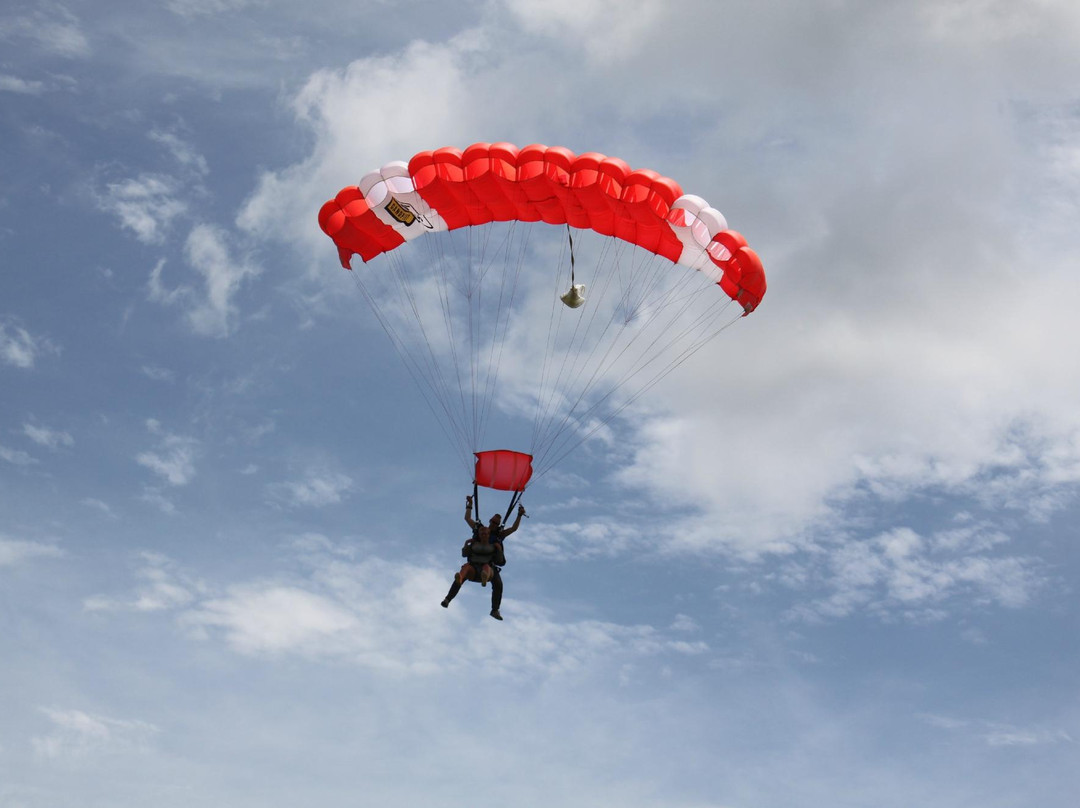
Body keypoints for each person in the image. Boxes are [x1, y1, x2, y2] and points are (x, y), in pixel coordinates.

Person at [441, 495, 525, 620]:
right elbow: (467, 518)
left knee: (498, 584)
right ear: (490, 520)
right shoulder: (479, 530)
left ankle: (495, 610)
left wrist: (519, 515)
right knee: (462, 575)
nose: (493, 525)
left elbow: (513, 529)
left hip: (488, 565)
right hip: (473, 564)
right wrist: (470, 504)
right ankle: (447, 599)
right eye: (492, 521)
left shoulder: (498, 536)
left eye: (496, 523)